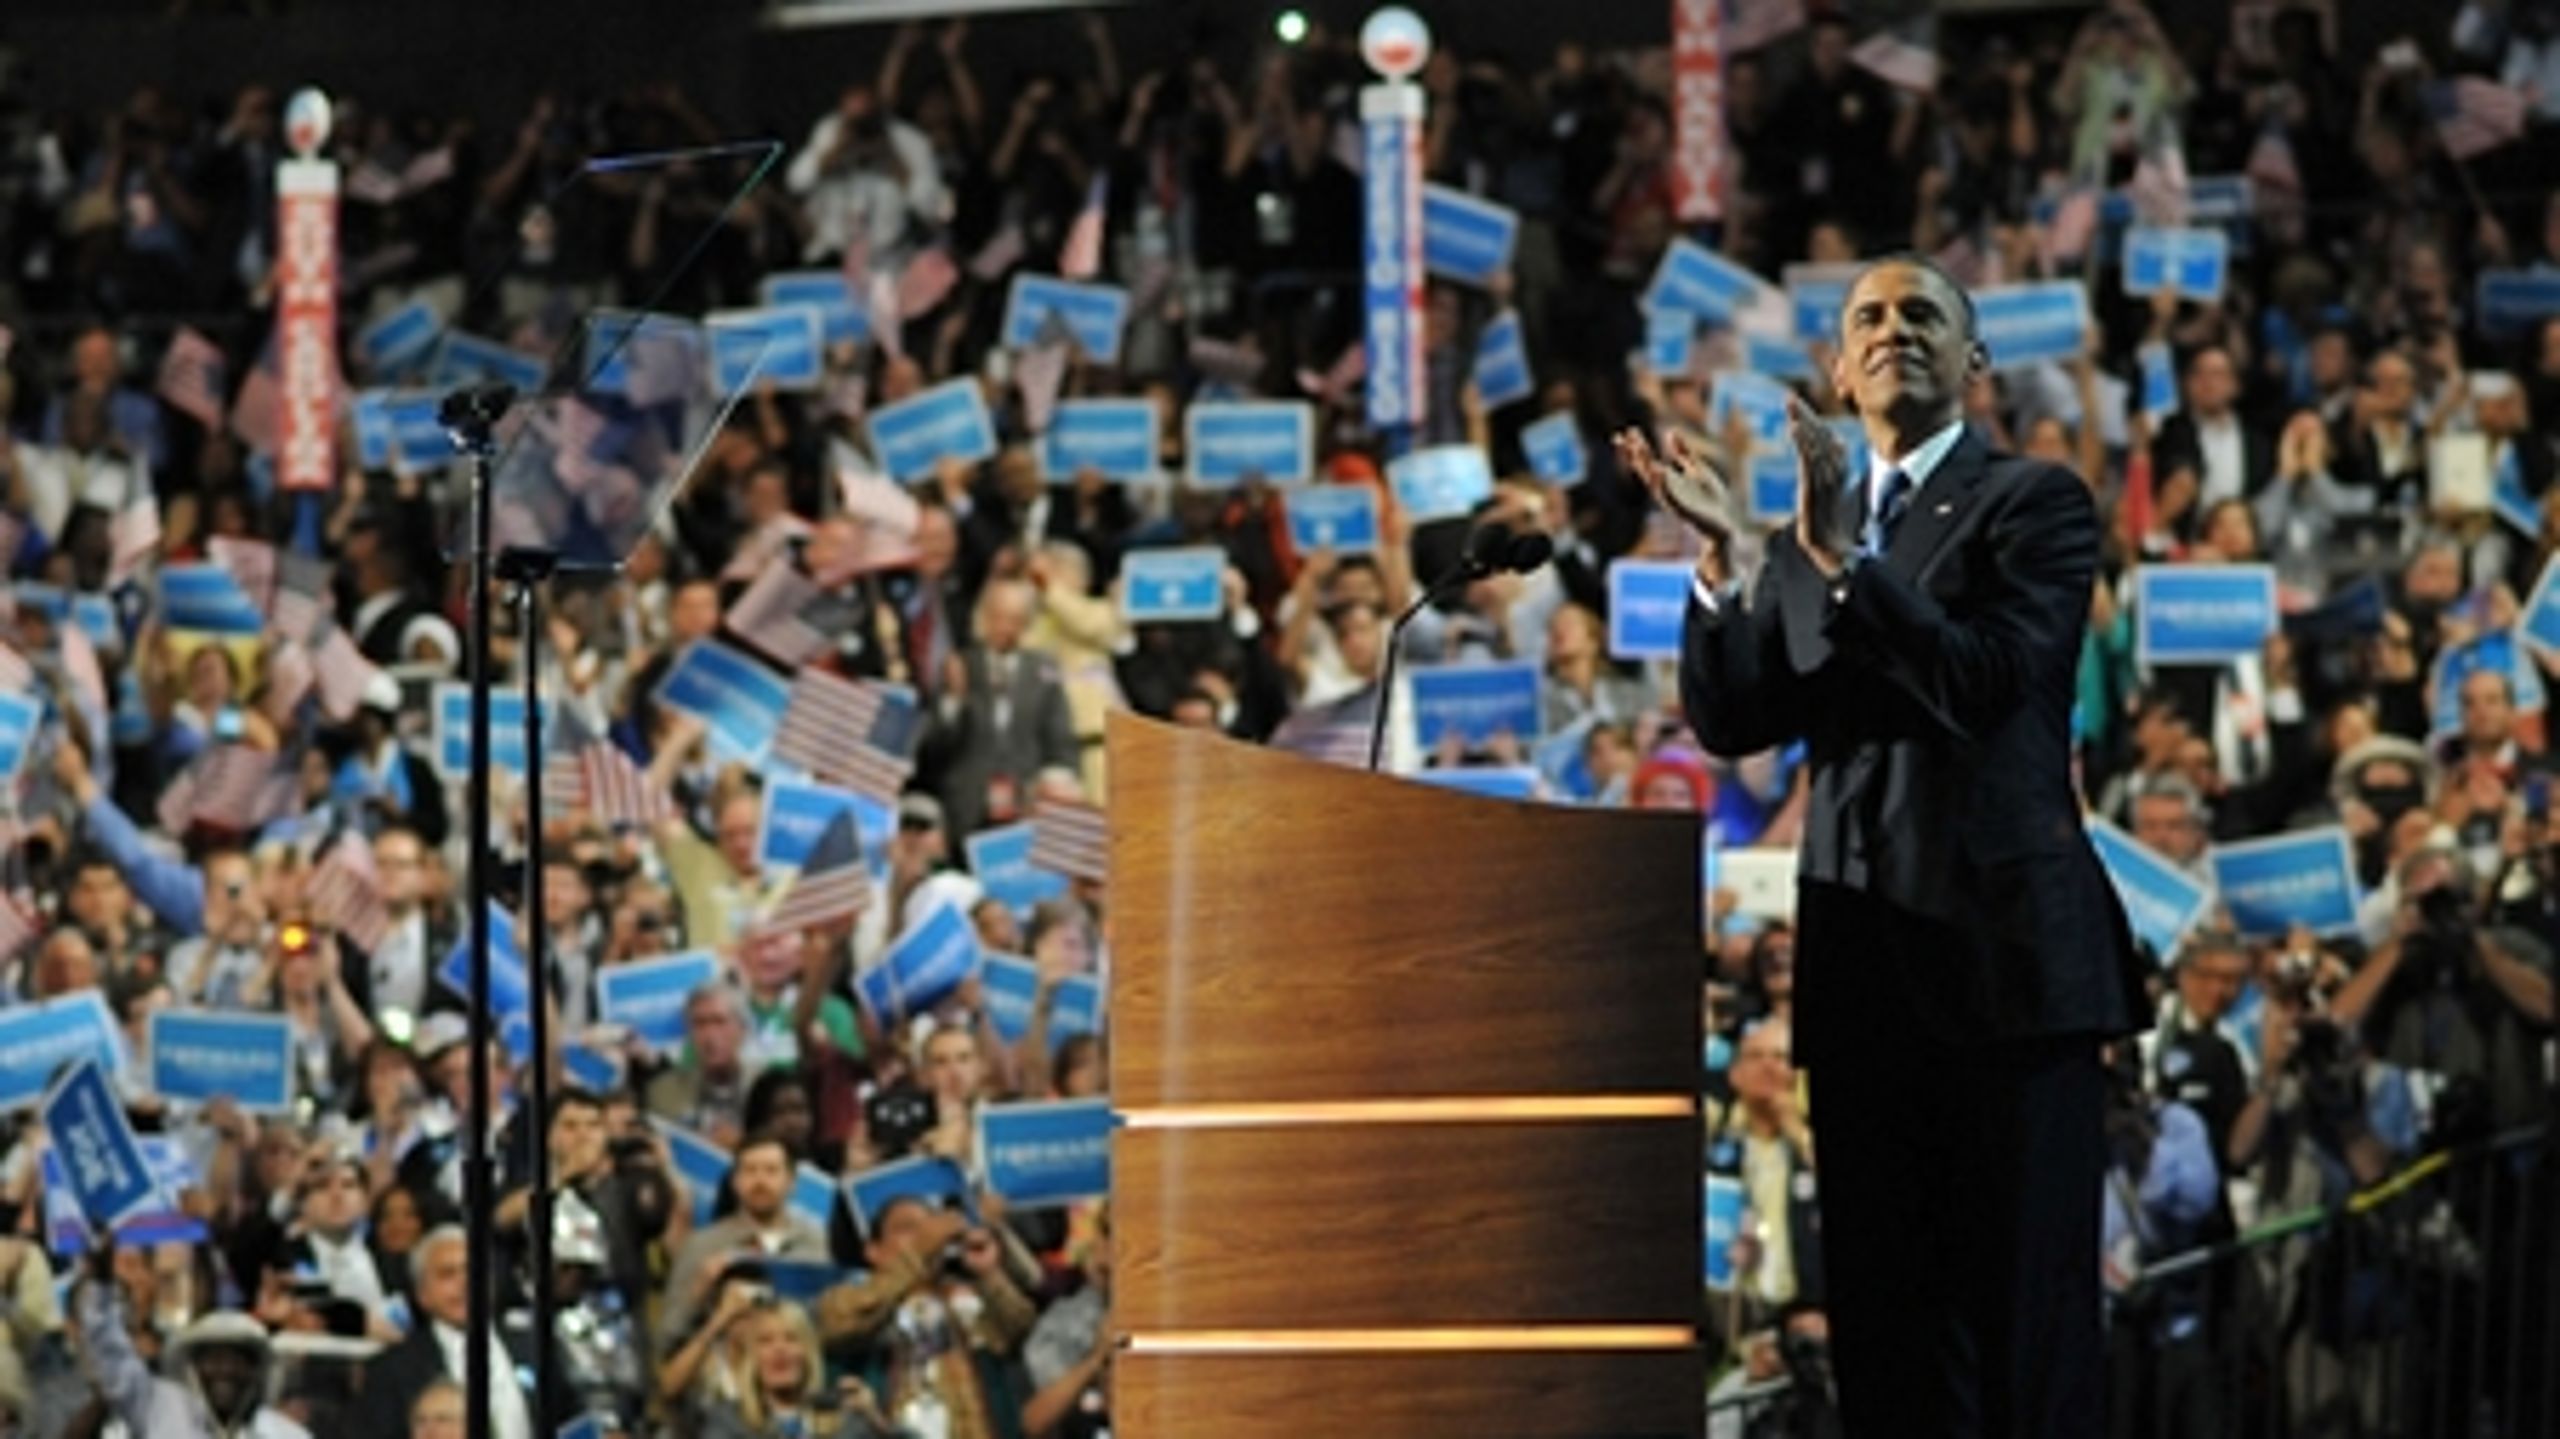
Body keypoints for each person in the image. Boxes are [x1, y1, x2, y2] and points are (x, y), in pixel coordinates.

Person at [1619, 253, 2147, 1438]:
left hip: (2005, 978)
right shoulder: (1817, 529)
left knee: (2024, 1333)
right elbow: (1734, 719)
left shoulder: (2034, 501)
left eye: (1921, 313)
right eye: (1868, 315)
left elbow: (1983, 681)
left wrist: (1839, 563)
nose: (1891, 328)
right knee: (1889, 1343)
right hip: (1863, 981)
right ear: (1837, 366)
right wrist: (1719, 565)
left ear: (1974, 361)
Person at [362, 1225, 539, 1439]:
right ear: (422, 1294)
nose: (465, 1284)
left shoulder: (535, 1346)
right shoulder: (391, 1371)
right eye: (447, 1274)